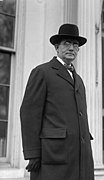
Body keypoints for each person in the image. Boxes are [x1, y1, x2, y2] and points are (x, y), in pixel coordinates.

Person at [20, 23, 94, 180]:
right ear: (56, 47)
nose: (72, 48)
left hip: (79, 154)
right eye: (66, 43)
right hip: (53, 155)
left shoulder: (78, 80)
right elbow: (29, 114)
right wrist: (33, 153)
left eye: (75, 44)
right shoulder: (42, 72)